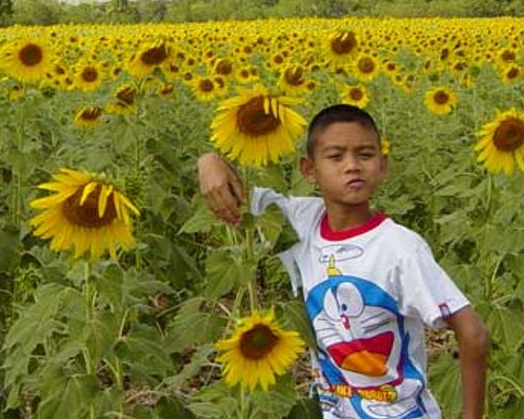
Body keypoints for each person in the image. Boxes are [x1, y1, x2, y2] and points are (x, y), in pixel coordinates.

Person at [198, 104, 489, 419]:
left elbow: (473, 333)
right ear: (309, 171)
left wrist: (471, 416)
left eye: (365, 155)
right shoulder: (299, 223)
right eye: (336, 157)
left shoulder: (399, 248)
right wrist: (208, 160)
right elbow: (231, 192)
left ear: (382, 166)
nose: (352, 166)